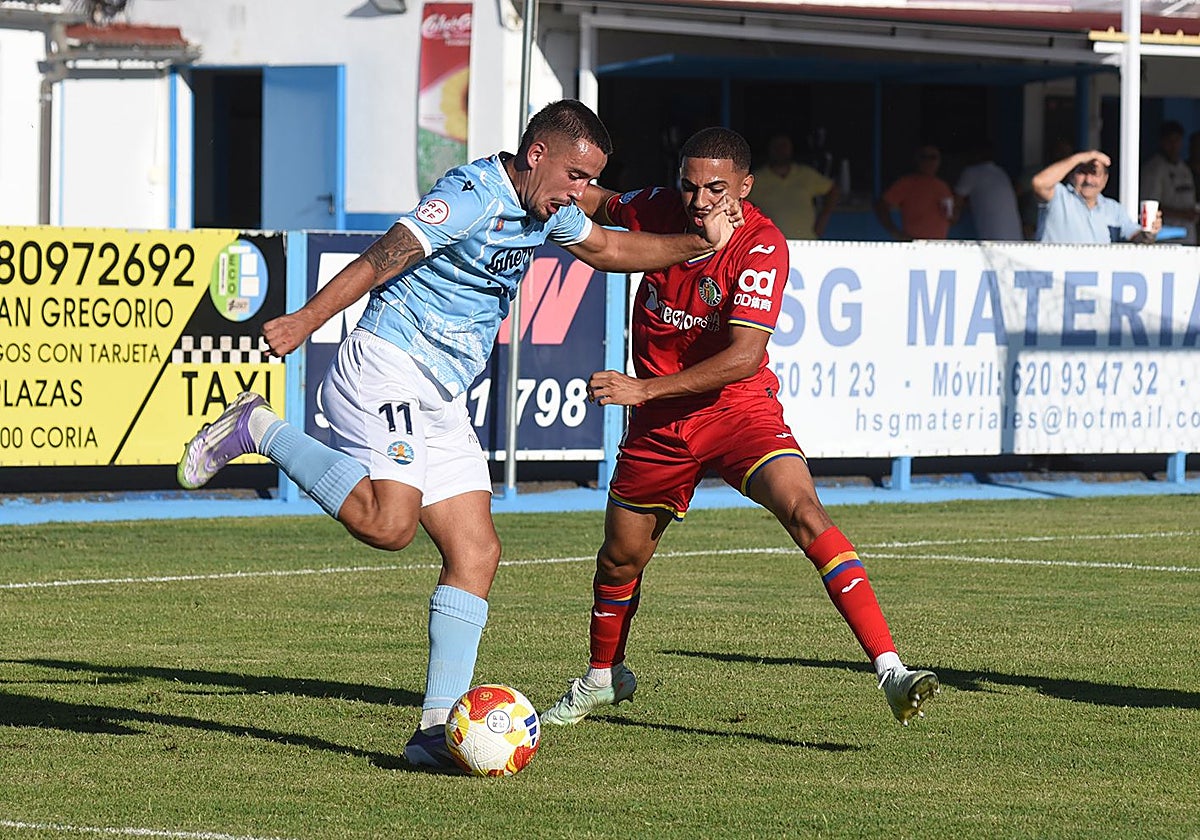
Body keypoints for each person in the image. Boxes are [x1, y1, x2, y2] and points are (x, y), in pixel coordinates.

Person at [175, 100, 737, 772]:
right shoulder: (468, 196)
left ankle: (432, 733)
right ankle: (258, 425)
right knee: (390, 524)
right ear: (537, 155)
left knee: (476, 553)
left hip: (439, 393)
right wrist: (304, 319)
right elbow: (384, 256)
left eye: (590, 181)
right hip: (387, 367)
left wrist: (701, 247)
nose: (581, 194)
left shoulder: (550, 210)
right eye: (575, 176)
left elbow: (610, 247)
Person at [542, 127, 939, 730]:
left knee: (806, 510)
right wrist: (543, 187)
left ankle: (891, 669)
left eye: (715, 188)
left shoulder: (762, 246)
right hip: (659, 426)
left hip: (736, 410)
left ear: (745, 188)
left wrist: (640, 387)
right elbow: (598, 200)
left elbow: (743, 357)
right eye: (690, 185)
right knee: (620, 561)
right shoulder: (658, 209)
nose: (698, 200)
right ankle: (603, 678)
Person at [1033, 149, 1161, 244]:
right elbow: (1039, 183)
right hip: (1054, 278)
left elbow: (1137, 238)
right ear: (1071, 175)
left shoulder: (1114, 209)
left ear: (1105, 179)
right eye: (1082, 172)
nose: (1088, 180)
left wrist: (1149, 233)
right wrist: (1080, 157)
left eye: (1094, 173)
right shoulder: (1059, 197)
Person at [750, 132, 840, 240]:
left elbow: (832, 190)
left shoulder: (805, 174)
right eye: (777, 146)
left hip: (806, 243)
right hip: (771, 248)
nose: (780, 150)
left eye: (784, 146)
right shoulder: (755, 179)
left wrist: (823, 218)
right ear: (769, 148)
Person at [874, 144, 954, 241]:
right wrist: (895, 232)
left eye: (933, 157)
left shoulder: (942, 186)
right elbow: (881, 206)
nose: (928, 161)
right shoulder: (906, 183)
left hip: (939, 245)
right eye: (924, 157)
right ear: (917, 160)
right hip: (914, 244)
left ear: (939, 161)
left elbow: (951, 217)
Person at [1140, 120, 1198, 245]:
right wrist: (1182, 214)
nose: (1173, 145)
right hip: (1166, 239)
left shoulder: (1184, 168)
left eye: (1177, 140)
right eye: (1169, 141)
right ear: (1162, 142)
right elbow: (1149, 207)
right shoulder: (1154, 169)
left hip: (1189, 237)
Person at [953, 140, 1022, 241]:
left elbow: (955, 204)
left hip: (995, 240)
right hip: (1015, 238)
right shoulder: (1000, 172)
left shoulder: (972, 173)